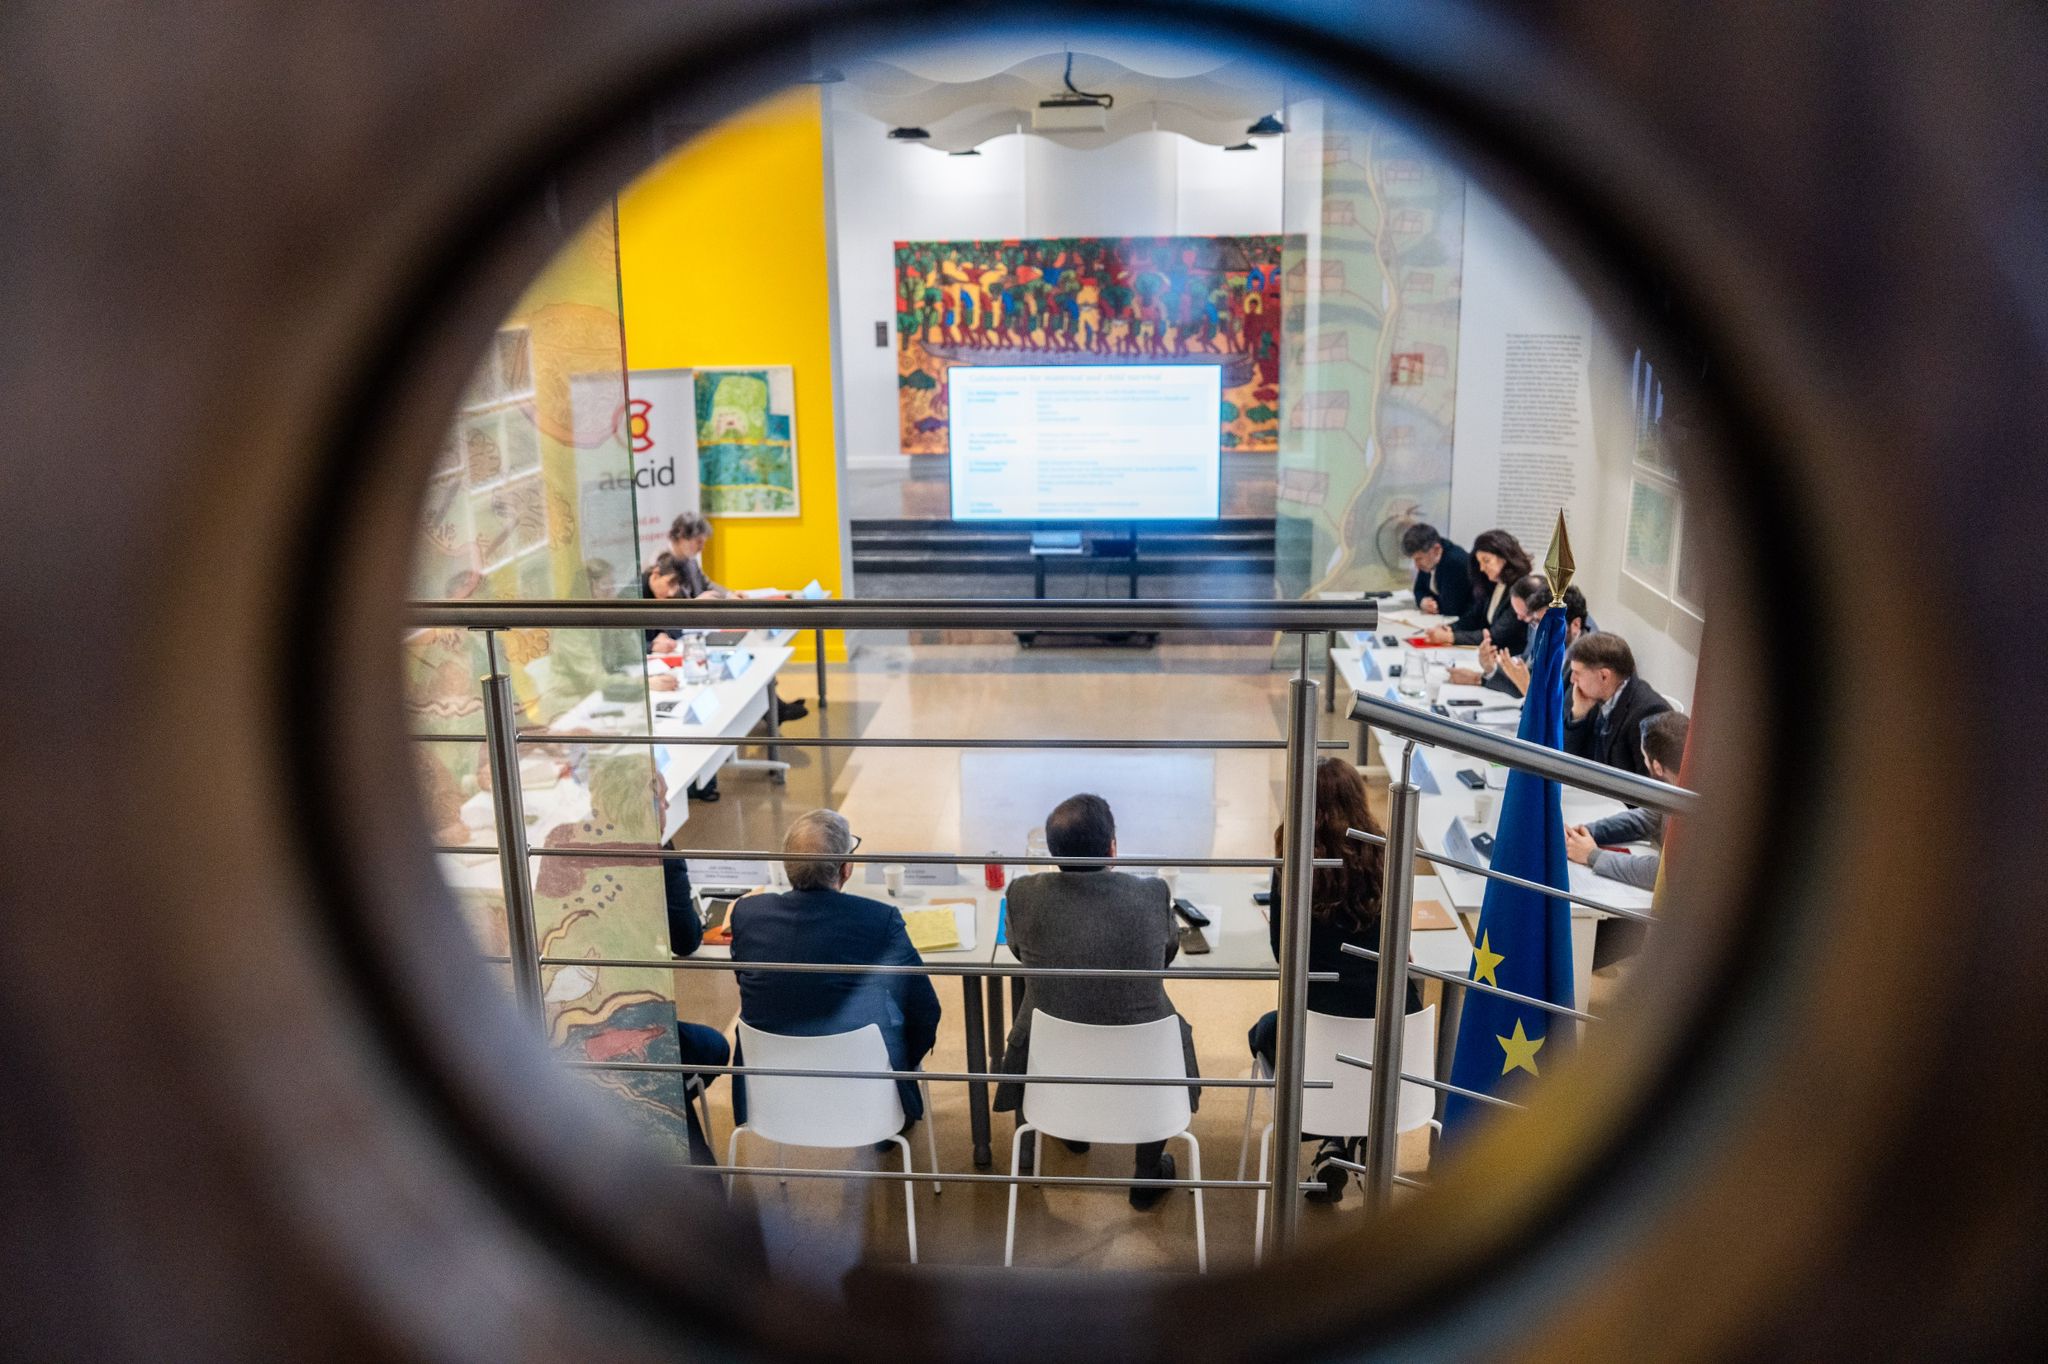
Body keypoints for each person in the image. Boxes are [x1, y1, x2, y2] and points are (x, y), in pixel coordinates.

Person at [995, 794, 1197, 1211]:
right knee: (1153, 1026)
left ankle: (1072, 1128)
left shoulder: (1023, 894)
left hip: (1052, 1061)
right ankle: (1147, 1173)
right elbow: (1166, 952)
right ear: (1112, 848)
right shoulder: (1151, 893)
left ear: (1053, 853)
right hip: (1143, 1064)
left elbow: (1017, 950)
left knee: (1059, 1013)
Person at [1247, 759, 1420, 1203]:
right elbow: (1402, 947)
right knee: (1354, 1044)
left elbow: (1284, 955)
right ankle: (1350, 1139)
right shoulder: (1387, 854)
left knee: (1265, 1032)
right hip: (1395, 1040)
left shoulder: (1293, 864)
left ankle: (1335, 1139)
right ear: (1359, 801)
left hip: (1319, 1040)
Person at [728, 810, 941, 1129]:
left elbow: (751, 984)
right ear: (846, 867)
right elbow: (925, 1010)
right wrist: (900, 1065)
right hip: (865, 1097)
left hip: (770, 1099)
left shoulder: (746, 913)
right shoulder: (879, 920)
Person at [1565, 711, 1690, 888]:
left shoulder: (1696, 806)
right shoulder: (1678, 787)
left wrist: (1592, 855)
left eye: (1644, 757)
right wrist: (1584, 833)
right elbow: (1646, 818)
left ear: (1657, 766)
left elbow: (1663, 873)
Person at [1450, 576, 1593, 696]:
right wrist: (1491, 670)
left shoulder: (1588, 663)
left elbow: (1566, 717)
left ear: (1575, 625)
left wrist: (1529, 691)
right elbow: (1524, 682)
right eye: (1537, 623)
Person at [1562, 632, 1674, 780]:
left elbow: (1647, 786)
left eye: (1577, 673)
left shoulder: (1649, 713)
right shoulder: (1593, 696)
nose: (1572, 679)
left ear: (1604, 676)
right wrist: (1578, 715)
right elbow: (1568, 758)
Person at [1424, 528, 1532, 655]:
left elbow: (1496, 635)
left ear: (1504, 558)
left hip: (1510, 657)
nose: (1481, 568)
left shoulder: (1520, 589)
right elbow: (1474, 617)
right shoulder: (1494, 583)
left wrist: (1449, 637)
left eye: (1486, 561)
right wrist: (1449, 628)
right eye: (1479, 562)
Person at [1400, 523, 1477, 618]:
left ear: (1436, 549)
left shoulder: (1455, 561)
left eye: (1419, 559)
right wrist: (1423, 602)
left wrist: (1432, 604)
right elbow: (1419, 589)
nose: (1416, 565)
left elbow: (1451, 608)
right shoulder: (1429, 560)